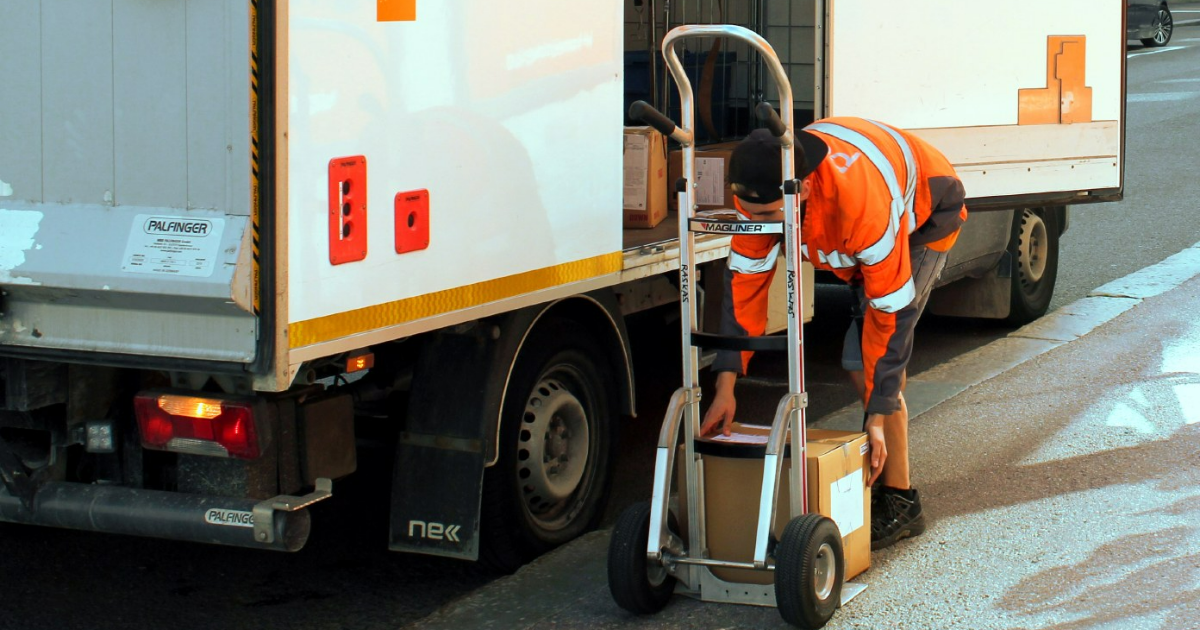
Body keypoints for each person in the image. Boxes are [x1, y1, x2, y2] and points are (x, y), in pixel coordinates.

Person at [699, 118, 967, 551]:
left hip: (927, 210)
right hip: (854, 220)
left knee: (865, 360)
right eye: (750, 212)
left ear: (800, 189)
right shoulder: (761, 201)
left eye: (768, 216)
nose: (760, 224)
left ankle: (901, 502)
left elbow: (890, 315)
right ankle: (882, 462)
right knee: (861, 356)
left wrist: (876, 414)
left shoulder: (863, 208)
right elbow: (743, 293)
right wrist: (726, 386)